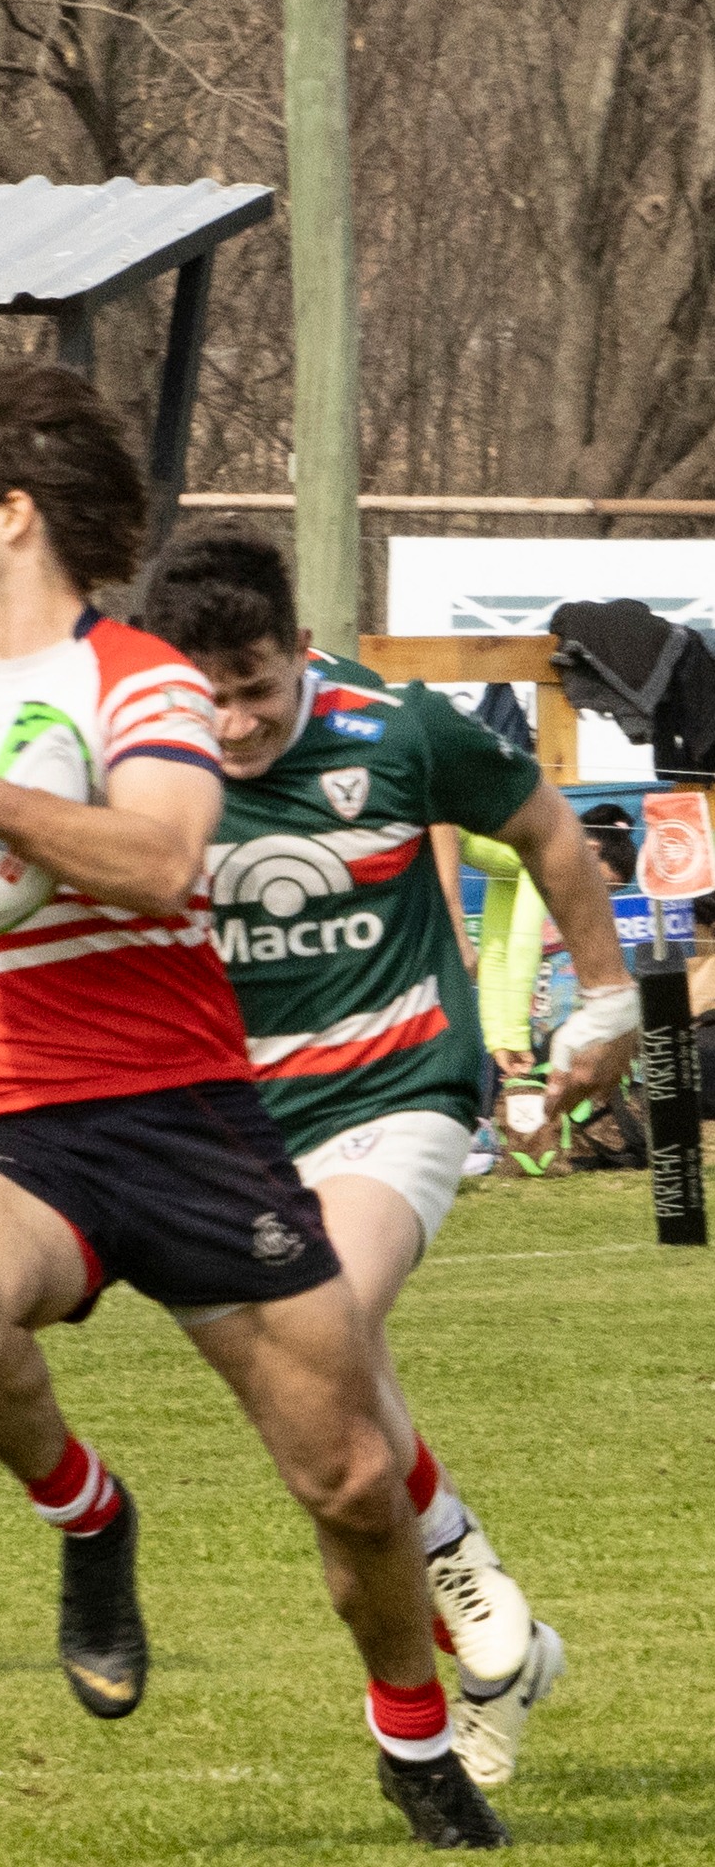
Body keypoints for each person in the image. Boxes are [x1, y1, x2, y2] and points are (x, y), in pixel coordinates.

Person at [0, 362, 505, 1848]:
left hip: (193, 1123)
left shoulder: (140, 681)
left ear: (12, 516)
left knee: (350, 1479)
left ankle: (411, 1733)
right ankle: (86, 1515)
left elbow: (161, 860)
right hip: (23, 1130)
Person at [143, 530, 638, 1784]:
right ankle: (489, 1639)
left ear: (296, 650)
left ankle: (460, 1589)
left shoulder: (399, 728)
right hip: (228, 1122)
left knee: (330, 1321)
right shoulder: (135, 767)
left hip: (398, 1089)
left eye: (257, 684)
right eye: (210, 691)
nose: (238, 719)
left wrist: (606, 1003)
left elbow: (551, 833)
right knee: (315, 1419)